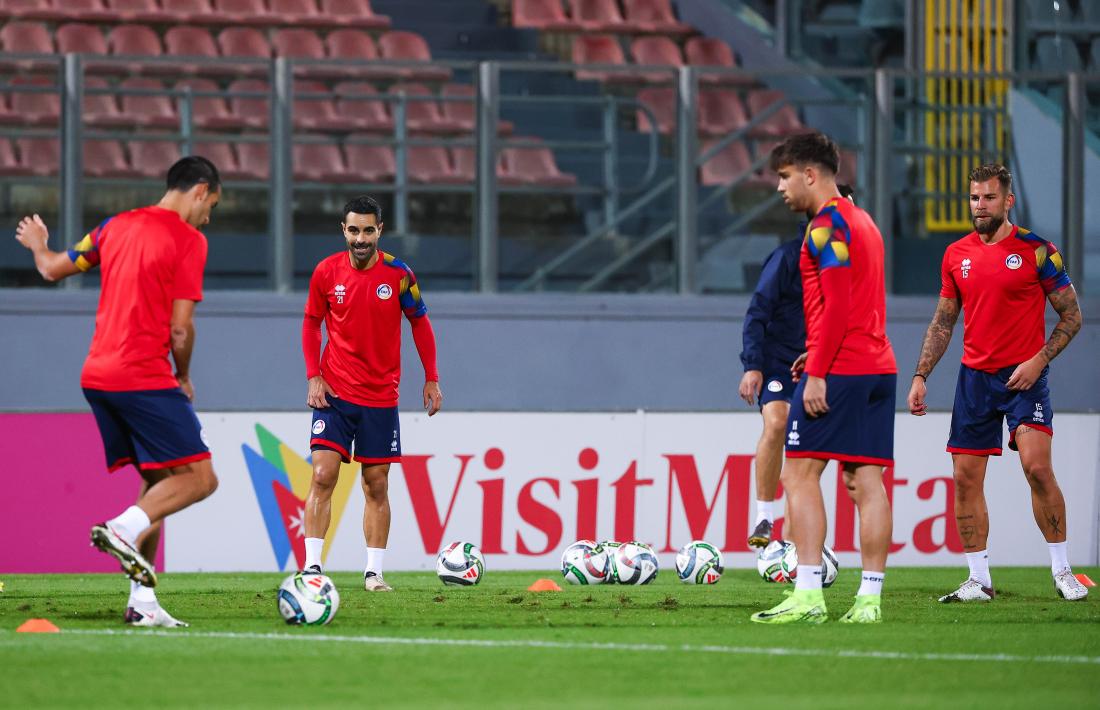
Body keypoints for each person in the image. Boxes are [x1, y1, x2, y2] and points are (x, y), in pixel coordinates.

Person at [14, 156, 222, 627]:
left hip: (98, 376)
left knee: (157, 479)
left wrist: (39, 245)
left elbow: (50, 269)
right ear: (199, 190)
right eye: (211, 204)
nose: (209, 215)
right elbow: (181, 329)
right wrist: (183, 375)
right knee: (200, 479)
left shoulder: (113, 227)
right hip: (142, 374)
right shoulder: (189, 239)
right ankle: (121, 530)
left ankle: (142, 603)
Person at [908, 164, 1087, 603]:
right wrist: (920, 375)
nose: (979, 206)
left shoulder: (1037, 250)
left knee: (1037, 467)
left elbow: (1072, 315)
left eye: (988, 198)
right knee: (965, 479)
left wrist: (1038, 360)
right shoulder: (955, 255)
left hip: (1024, 378)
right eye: (974, 198)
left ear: (1007, 201)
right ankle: (978, 580)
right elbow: (943, 323)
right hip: (974, 381)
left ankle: (1063, 571)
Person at [750, 133, 896, 625]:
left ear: (810, 175)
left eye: (785, 177)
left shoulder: (824, 228)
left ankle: (808, 595)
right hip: (878, 366)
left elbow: (834, 304)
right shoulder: (865, 222)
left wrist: (816, 370)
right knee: (865, 482)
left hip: (842, 370)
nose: (780, 189)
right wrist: (816, 351)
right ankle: (869, 601)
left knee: (798, 475)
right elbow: (854, 302)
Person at [301, 196, 442, 591]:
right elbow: (312, 324)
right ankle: (313, 568)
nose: (360, 238)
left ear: (379, 230)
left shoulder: (399, 274)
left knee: (376, 483)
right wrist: (314, 376)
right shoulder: (326, 272)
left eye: (368, 230)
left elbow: (420, 322)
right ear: (343, 231)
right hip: (334, 392)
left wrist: (431, 377)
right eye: (353, 230)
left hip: (380, 396)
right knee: (323, 474)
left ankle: (373, 572)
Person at [740, 185, 854, 549]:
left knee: (805, 455)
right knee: (777, 423)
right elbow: (758, 311)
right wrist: (753, 365)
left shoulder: (850, 264)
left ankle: (789, 550)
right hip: (779, 363)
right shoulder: (788, 257)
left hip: (823, 367)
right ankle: (763, 517)